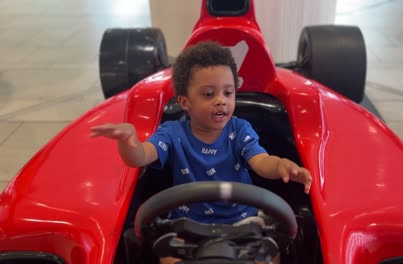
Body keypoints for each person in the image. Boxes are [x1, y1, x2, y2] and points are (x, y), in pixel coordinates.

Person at [90, 41, 312, 263]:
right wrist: (129, 142)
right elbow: (140, 157)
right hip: (187, 225)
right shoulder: (172, 133)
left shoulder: (239, 129)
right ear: (185, 102)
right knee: (167, 258)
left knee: (271, 255)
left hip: (243, 221)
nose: (221, 101)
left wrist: (282, 165)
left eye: (228, 93)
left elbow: (261, 161)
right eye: (208, 94)